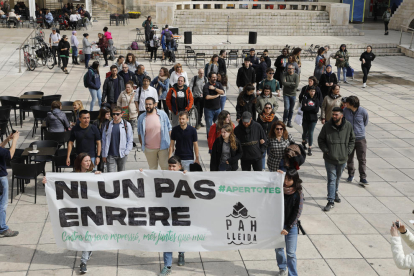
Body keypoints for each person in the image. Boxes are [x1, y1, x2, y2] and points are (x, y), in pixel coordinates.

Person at [43, 153, 101, 274]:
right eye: (86, 161)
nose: (88, 163)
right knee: (82, 234)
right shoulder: (71, 176)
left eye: (89, 161)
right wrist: (47, 182)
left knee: (87, 234)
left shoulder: (94, 174)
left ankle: (83, 261)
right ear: (80, 162)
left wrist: (100, 175)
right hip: (76, 211)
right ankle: (86, 255)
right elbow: (58, 185)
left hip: (90, 211)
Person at [152, 155, 186, 276]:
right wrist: (140, 174)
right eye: (170, 166)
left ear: (179, 167)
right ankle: (167, 265)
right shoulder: (163, 176)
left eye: (174, 166)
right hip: (166, 213)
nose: (171, 169)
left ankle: (181, 253)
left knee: (180, 236)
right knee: (167, 239)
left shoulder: (185, 176)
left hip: (181, 213)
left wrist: (187, 176)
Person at [318, 107, 355, 212]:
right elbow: (321, 140)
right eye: (333, 114)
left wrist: (347, 151)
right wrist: (326, 150)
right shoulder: (327, 126)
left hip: (343, 158)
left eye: (336, 114)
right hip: (330, 158)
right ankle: (330, 200)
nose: (334, 116)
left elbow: (352, 139)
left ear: (341, 115)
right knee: (331, 179)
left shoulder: (348, 126)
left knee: (338, 178)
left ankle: (335, 192)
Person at [275, 169, 304, 276]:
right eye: (285, 178)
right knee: (278, 249)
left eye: (289, 179)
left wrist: (288, 227)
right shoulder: (278, 189)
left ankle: (292, 274)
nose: (286, 181)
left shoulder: (298, 193)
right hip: (278, 225)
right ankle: (282, 268)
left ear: (294, 180)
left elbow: (297, 213)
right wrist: (278, 175)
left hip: (291, 227)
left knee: (291, 253)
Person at [137, 97, 172, 170]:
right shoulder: (141, 117)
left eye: (150, 104)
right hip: (149, 149)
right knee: (152, 169)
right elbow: (140, 133)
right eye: (146, 104)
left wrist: (172, 144)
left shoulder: (162, 114)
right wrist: (143, 145)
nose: (148, 106)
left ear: (154, 104)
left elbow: (169, 128)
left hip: (163, 147)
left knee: (165, 167)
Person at [344, 96, 369, 185]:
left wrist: (359, 130)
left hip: (360, 139)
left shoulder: (363, 111)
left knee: (362, 159)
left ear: (352, 104)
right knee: (349, 158)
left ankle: (363, 177)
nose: (345, 104)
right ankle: (351, 174)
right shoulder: (345, 111)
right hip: (349, 139)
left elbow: (365, 122)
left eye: (347, 103)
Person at [101, 106, 133, 172]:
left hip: (122, 154)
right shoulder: (108, 125)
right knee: (111, 176)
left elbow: (130, 139)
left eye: (117, 114)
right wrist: (104, 154)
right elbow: (104, 140)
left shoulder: (126, 124)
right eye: (113, 114)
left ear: (121, 114)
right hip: (110, 155)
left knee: (121, 175)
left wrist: (126, 152)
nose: (115, 116)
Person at [0, 131, 20, 238]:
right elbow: (10, 154)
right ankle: (3, 228)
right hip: (1, 178)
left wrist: (8, 139)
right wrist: (15, 140)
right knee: (2, 204)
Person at [257, 102, 278, 170]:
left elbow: (277, 129)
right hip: (263, 139)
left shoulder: (275, 118)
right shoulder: (260, 117)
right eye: (266, 108)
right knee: (262, 154)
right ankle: (262, 169)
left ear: (271, 109)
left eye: (269, 108)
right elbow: (258, 129)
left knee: (271, 155)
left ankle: (271, 169)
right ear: (264, 108)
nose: (268, 109)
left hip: (271, 139)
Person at [203, 72, 225, 136]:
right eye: (213, 77)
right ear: (209, 78)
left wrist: (214, 88)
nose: (215, 78)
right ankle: (210, 139)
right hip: (209, 110)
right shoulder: (206, 86)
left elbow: (222, 92)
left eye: (215, 77)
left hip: (218, 109)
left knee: (219, 125)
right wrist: (216, 96)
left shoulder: (218, 84)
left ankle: (218, 138)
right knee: (209, 126)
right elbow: (207, 97)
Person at [301, 87, 320, 156]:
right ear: (309, 91)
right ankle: (303, 142)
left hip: (313, 119)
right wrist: (312, 108)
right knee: (305, 132)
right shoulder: (305, 98)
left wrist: (307, 107)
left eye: (314, 91)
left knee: (311, 133)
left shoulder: (316, 100)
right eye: (311, 91)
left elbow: (316, 110)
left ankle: (310, 147)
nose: (312, 92)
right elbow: (303, 108)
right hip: (305, 119)